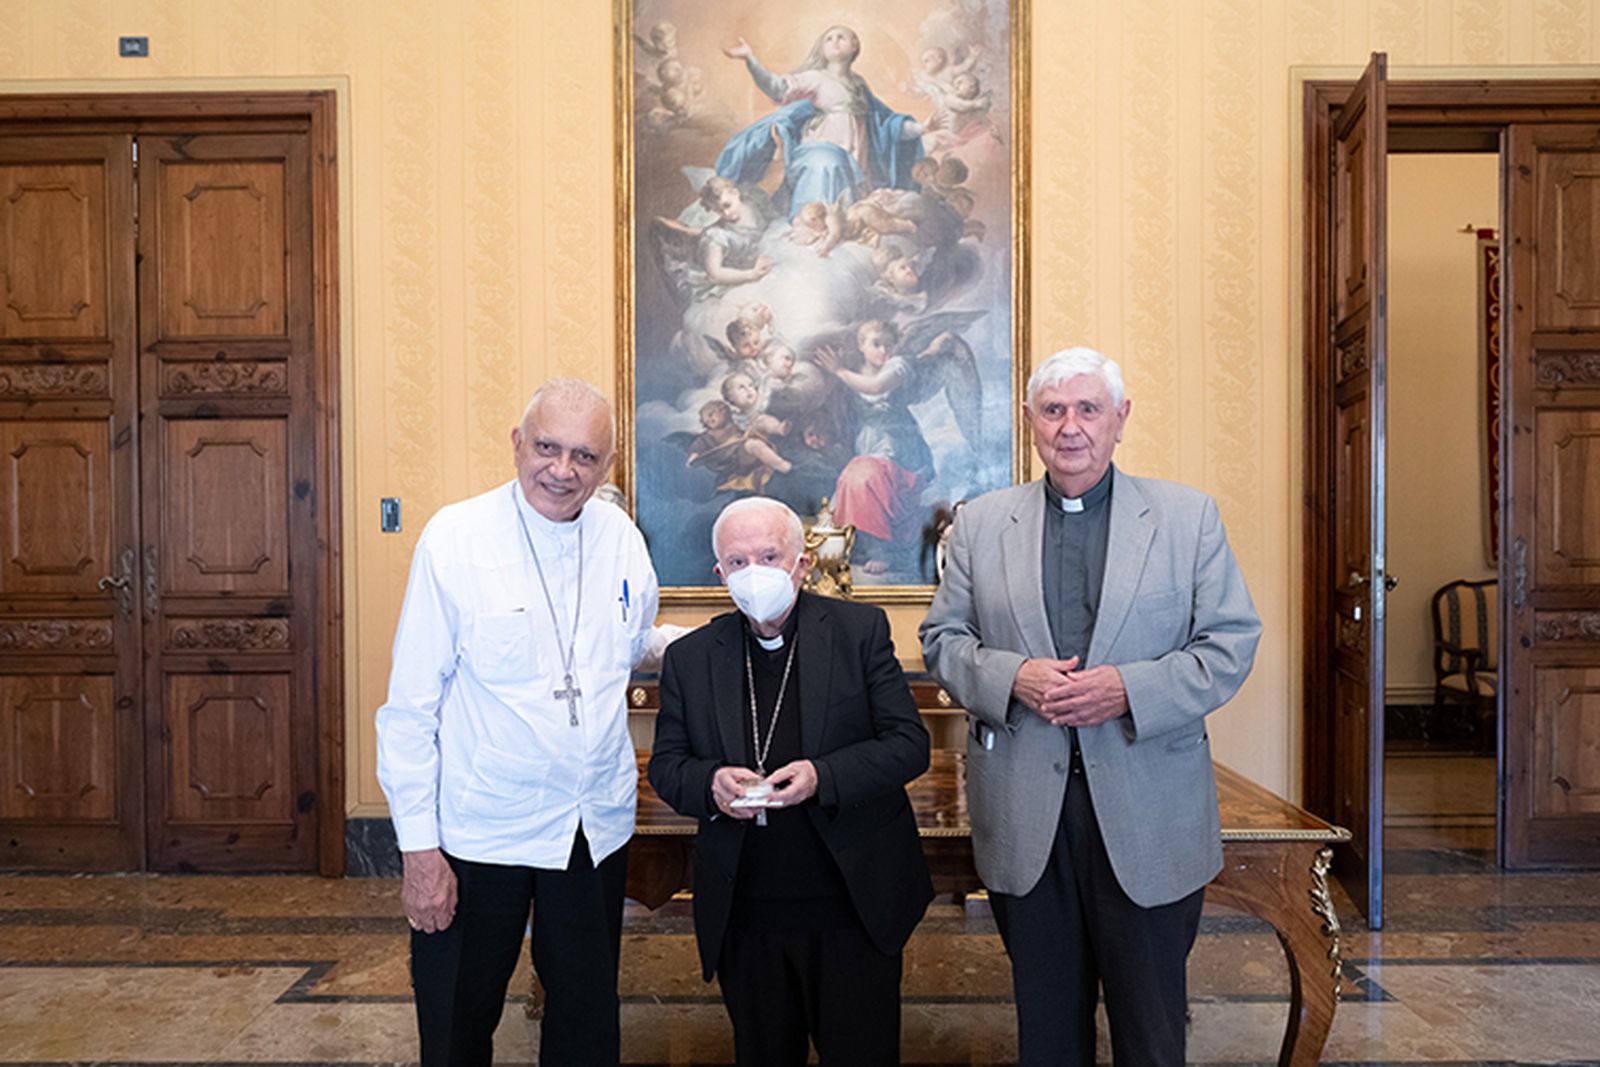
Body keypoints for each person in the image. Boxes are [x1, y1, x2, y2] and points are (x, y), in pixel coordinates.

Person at [919, 347, 1262, 1066]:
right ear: (1029, 422)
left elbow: (1228, 643)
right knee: (1047, 1033)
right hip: (1025, 815)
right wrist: (1014, 677)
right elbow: (943, 641)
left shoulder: (1186, 517)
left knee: (1152, 1031)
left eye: (1088, 409)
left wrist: (1127, 689)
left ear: (1119, 419)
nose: (1070, 426)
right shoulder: (981, 523)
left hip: (1147, 809)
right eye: (1053, 410)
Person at [375, 379, 667, 1067]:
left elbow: (630, 639)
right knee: (456, 1019)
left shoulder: (621, 539)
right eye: (547, 447)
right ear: (516, 443)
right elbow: (410, 706)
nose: (562, 471)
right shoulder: (456, 537)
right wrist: (420, 851)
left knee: (586, 1021)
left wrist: (688, 642)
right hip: (482, 827)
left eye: (585, 457)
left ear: (608, 466)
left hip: (588, 826)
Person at [649, 497, 934, 1066]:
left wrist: (821, 776)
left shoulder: (859, 631)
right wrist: (710, 783)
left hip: (850, 906)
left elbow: (908, 745)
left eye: (769, 556)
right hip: (747, 912)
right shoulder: (692, 657)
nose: (753, 573)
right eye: (737, 562)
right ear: (719, 575)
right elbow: (668, 765)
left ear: (802, 563)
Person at [715, 25, 929, 217]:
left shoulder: (859, 85)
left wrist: (921, 127)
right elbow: (777, 88)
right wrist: (750, 60)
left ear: (855, 46)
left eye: (841, 37)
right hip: (820, 150)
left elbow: (886, 124)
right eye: (829, 38)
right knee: (826, 164)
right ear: (822, 49)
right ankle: (808, 224)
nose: (834, 41)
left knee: (847, 207)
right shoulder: (816, 77)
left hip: (857, 157)